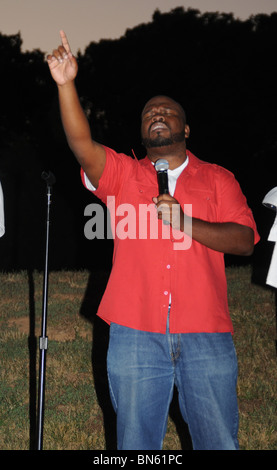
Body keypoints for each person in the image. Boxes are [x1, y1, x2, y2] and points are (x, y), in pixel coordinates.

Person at [47, 31, 260, 450]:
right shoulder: (124, 174)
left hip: (206, 330)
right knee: (135, 445)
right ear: (143, 131)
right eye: (148, 113)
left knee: (217, 440)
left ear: (185, 127)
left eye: (166, 111)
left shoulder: (218, 178)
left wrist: (185, 222)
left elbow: (244, 241)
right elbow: (80, 144)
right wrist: (66, 84)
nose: (156, 114)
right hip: (134, 331)